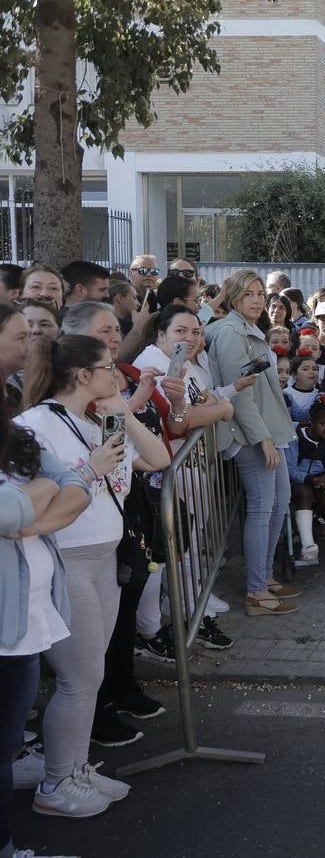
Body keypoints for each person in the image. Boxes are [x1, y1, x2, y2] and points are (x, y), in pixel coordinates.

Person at [18, 334, 169, 817]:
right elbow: (28, 503)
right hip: (66, 561)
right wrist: (90, 468)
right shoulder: (35, 425)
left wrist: (124, 412)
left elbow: (158, 459)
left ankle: (75, 769)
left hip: (103, 559)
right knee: (79, 678)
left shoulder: (97, 419)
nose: (117, 374)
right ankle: (56, 783)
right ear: (83, 375)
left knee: (91, 673)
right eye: (108, 367)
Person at [1, 415, 93, 842]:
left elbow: (76, 485)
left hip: (27, 622)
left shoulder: (16, 438)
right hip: (9, 624)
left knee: (5, 745)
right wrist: (43, 488)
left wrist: (33, 519)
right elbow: (7, 512)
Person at [203, 271, 301, 617]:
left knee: (279, 502)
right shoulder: (231, 333)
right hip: (250, 435)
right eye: (249, 294)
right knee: (262, 508)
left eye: (260, 293)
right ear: (234, 298)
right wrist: (263, 440)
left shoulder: (247, 328)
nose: (257, 300)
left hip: (268, 430)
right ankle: (257, 591)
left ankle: (264, 575)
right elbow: (240, 394)